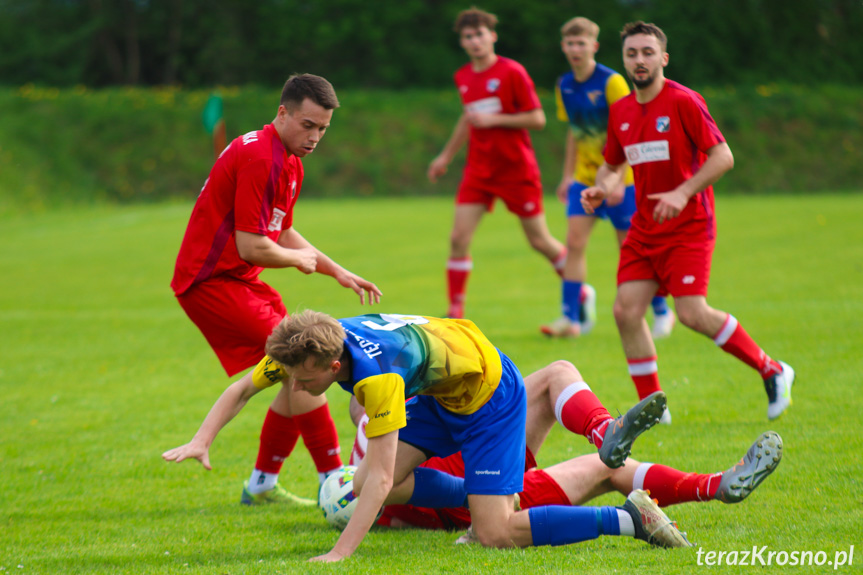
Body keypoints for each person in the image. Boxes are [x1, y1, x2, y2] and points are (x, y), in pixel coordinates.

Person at [263, 310, 687, 562]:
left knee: (496, 535)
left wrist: (339, 554)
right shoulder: (327, 338)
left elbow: (380, 482)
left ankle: (629, 520)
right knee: (361, 479)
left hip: (489, 398)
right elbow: (245, 387)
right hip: (442, 395)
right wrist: (199, 441)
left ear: (331, 366)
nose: (296, 388)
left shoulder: (378, 380)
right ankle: (479, 494)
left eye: (302, 381)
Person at [168, 74, 382, 504]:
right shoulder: (262, 158)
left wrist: (335, 270)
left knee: (290, 372)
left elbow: (281, 231)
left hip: (239, 280)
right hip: (212, 282)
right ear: (282, 113)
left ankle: (262, 484)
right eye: (308, 125)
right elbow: (253, 246)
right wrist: (298, 262)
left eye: (323, 128)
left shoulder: (286, 159)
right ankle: (335, 482)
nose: (315, 136)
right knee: (305, 362)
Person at [581, 22, 794, 423]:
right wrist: (601, 187)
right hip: (645, 227)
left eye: (647, 52)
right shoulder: (622, 111)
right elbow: (611, 166)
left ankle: (773, 369)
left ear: (663, 58)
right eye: (631, 53)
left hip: (689, 225)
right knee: (626, 311)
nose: (639, 60)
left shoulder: (684, 101)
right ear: (624, 60)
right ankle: (654, 407)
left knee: (692, 313)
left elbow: (723, 156)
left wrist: (683, 192)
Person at [347, 382, 782, 535]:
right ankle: (714, 485)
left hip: (477, 451)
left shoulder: (374, 457)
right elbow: (387, 493)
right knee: (604, 468)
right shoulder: (377, 481)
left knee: (556, 373)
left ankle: (604, 430)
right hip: (482, 483)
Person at [427, 8, 566, 319]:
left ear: (492, 36)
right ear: (462, 42)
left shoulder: (512, 71)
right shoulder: (463, 76)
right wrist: (445, 156)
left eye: (479, 34)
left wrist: (495, 119)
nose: (474, 41)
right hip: (479, 170)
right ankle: (456, 311)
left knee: (539, 240)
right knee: (458, 238)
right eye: (468, 36)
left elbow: (538, 118)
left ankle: (578, 291)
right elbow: (468, 118)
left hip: (516, 169)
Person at [541, 17, 673, 340]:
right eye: (570, 44)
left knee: (631, 250)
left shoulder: (612, 82)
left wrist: (617, 179)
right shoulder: (565, 85)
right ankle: (570, 318)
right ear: (563, 47)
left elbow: (632, 128)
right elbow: (574, 133)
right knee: (574, 244)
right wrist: (567, 176)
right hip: (584, 181)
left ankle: (661, 311)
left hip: (622, 181)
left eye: (581, 43)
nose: (576, 49)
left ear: (594, 46)